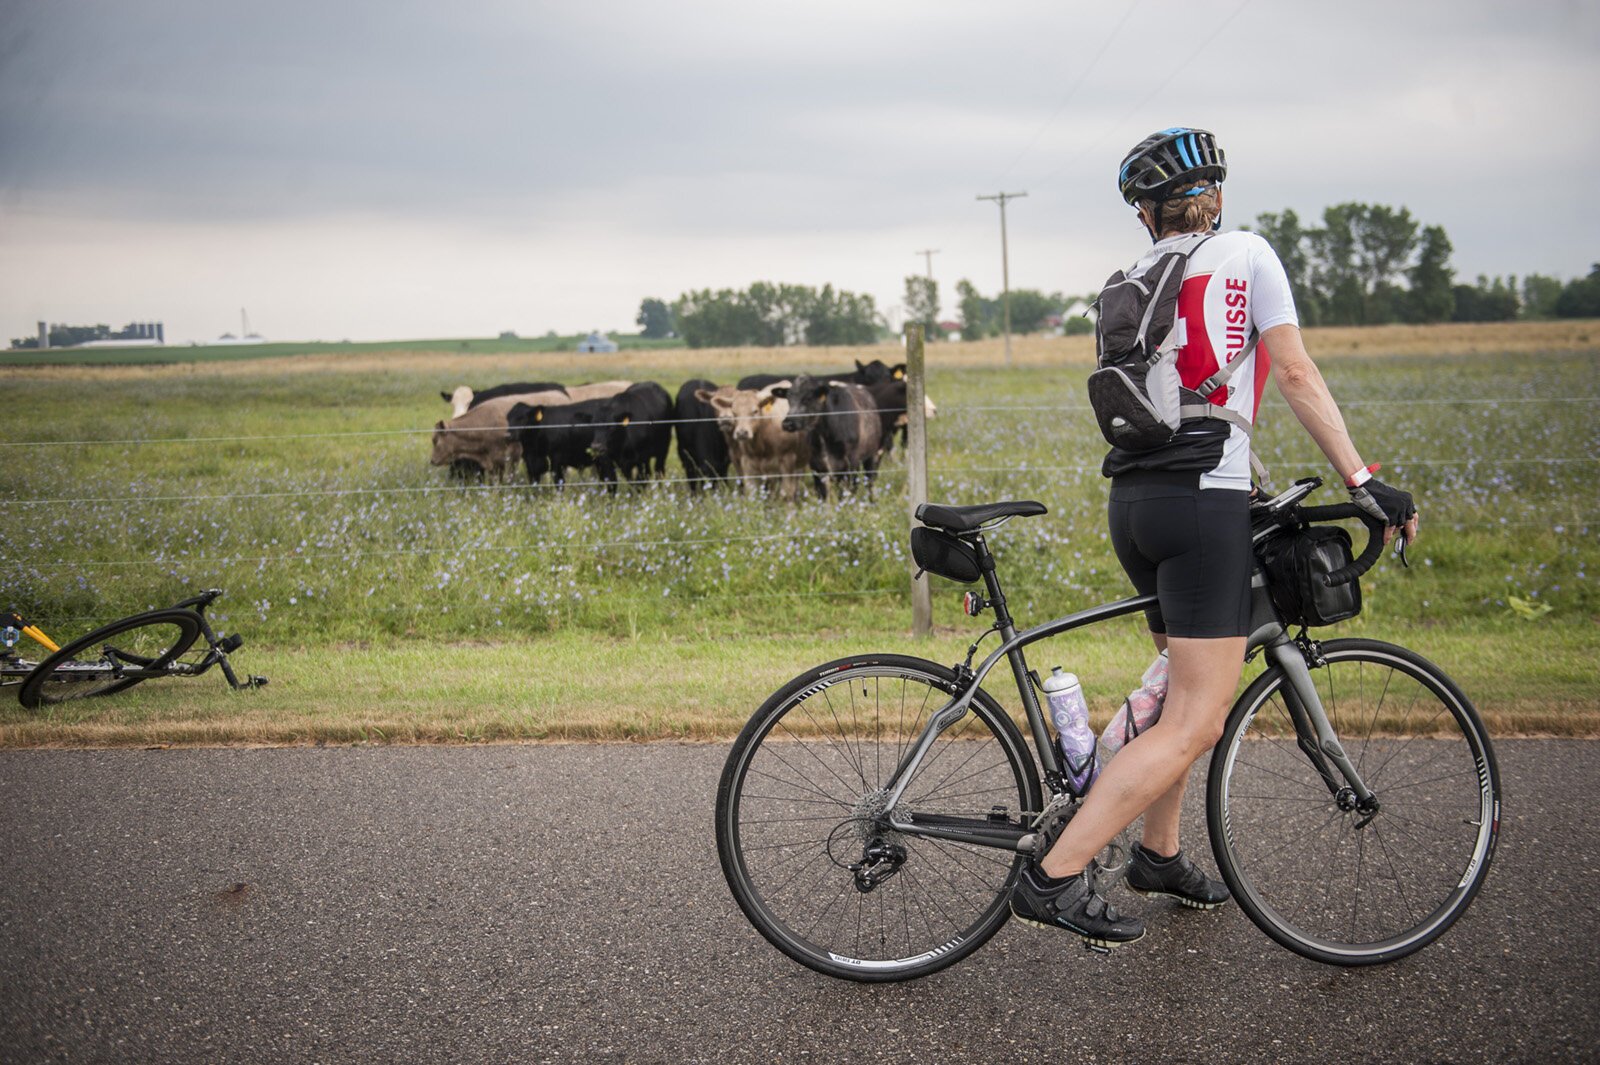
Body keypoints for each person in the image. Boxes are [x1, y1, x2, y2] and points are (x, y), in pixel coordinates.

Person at [1009, 127, 1420, 948]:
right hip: (1202, 501)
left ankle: (1158, 853)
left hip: (1134, 503)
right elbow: (1295, 373)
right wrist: (1361, 479)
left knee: (1177, 692)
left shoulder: (1131, 276)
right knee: (1197, 715)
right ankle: (1052, 877)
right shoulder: (1249, 255)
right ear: (1216, 196)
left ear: (1147, 214)